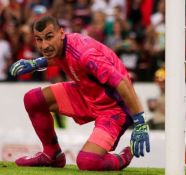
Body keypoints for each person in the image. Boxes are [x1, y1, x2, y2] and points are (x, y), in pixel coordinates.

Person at [9, 15, 150, 171]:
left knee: (87, 162)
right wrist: (35, 63)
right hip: (87, 93)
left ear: (61, 33)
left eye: (49, 37)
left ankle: (123, 156)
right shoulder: (64, 45)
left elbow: (123, 83)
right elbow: (55, 55)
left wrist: (140, 123)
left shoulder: (85, 54)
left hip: (113, 110)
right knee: (32, 99)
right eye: (39, 39)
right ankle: (52, 155)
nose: (44, 45)